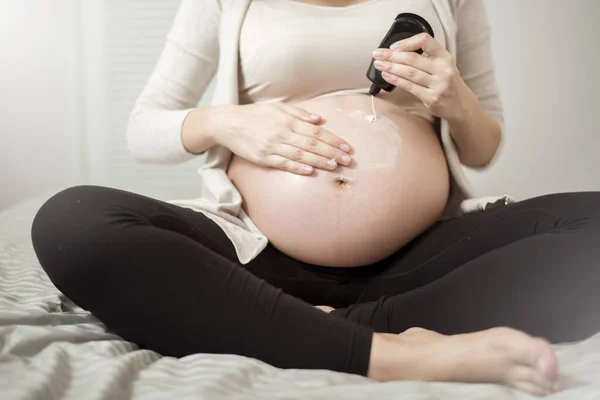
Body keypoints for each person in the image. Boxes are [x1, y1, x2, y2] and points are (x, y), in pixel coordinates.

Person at [31, 0, 600, 396]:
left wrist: (456, 101)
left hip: (420, 256)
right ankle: (391, 352)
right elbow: (144, 130)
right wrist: (228, 122)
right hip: (258, 258)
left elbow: (483, 146)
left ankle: (333, 323)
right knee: (73, 222)